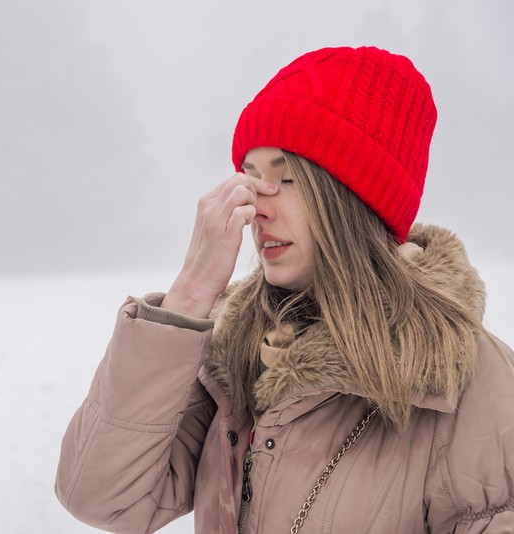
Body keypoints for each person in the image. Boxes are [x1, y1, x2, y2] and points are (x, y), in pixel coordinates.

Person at [54, 46, 514, 533]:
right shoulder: (232, 355)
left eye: (287, 177)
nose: (257, 207)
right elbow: (100, 497)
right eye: (250, 179)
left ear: (353, 199)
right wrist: (188, 296)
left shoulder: (466, 380)